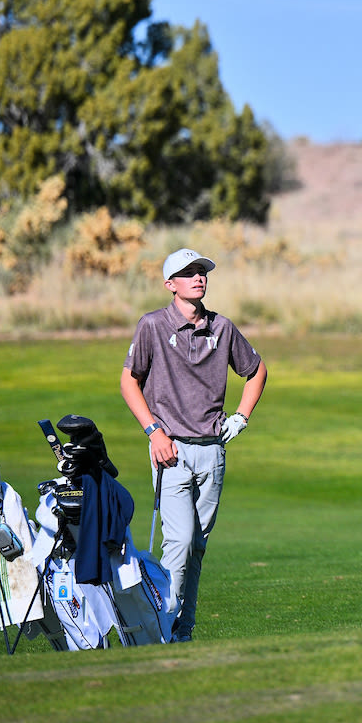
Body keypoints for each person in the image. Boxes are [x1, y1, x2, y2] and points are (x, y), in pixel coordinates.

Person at [121, 247, 268, 640]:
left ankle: (182, 631)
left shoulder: (222, 328)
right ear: (170, 285)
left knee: (197, 548)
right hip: (171, 451)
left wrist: (241, 416)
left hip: (212, 451)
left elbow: (256, 371)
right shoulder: (152, 326)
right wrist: (154, 431)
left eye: (201, 271)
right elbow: (128, 381)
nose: (198, 277)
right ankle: (162, 627)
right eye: (188, 273)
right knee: (180, 541)